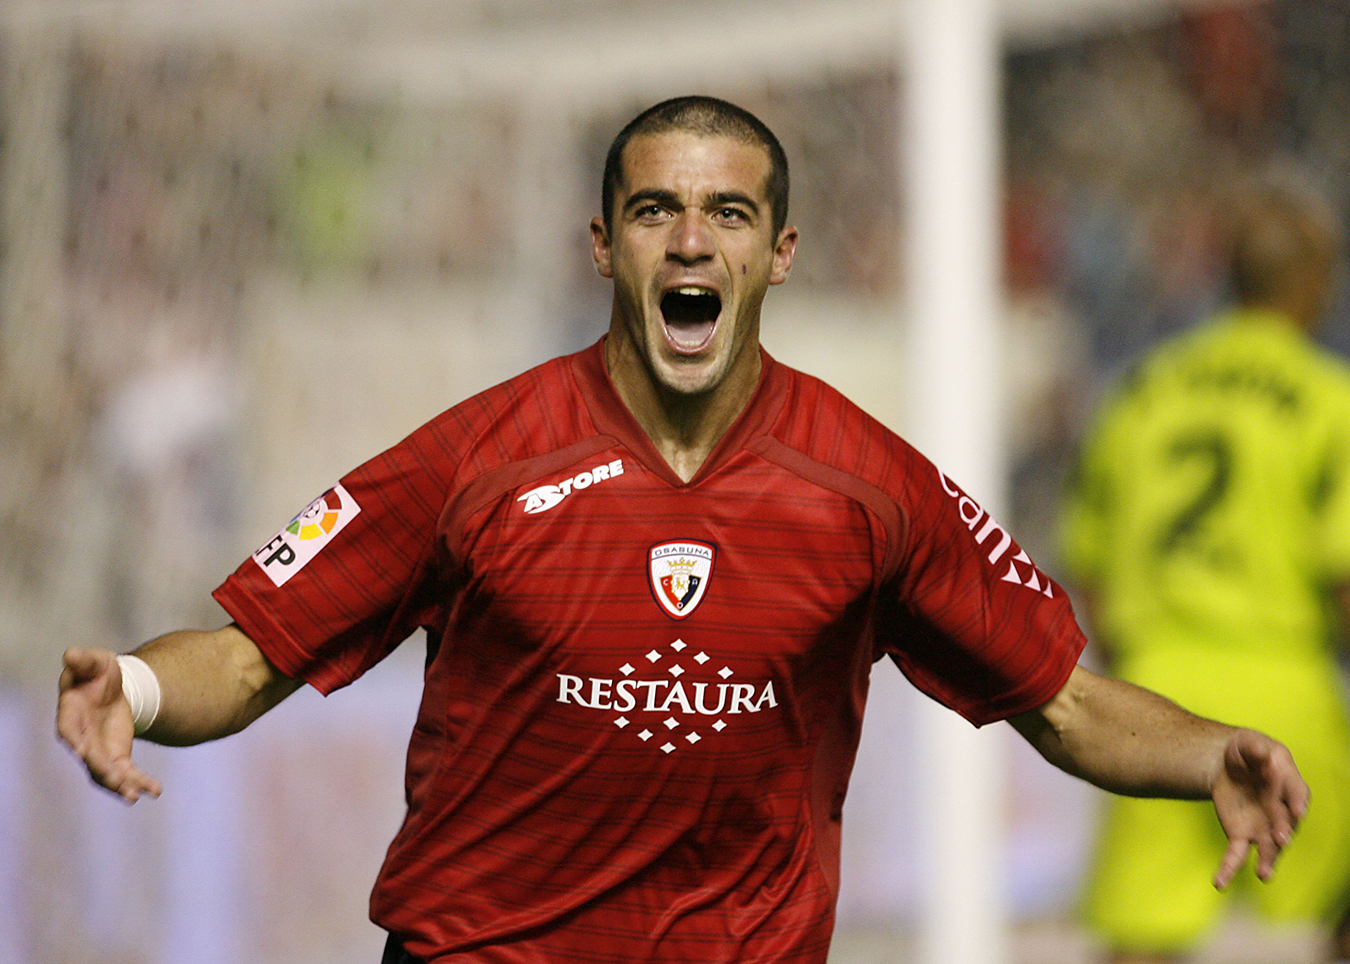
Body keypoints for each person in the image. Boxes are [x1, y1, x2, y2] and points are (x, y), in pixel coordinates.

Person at [59, 96, 1308, 964]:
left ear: (780, 252)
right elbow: (253, 648)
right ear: (605, 245)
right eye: (655, 211)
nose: (692, 239)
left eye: (728, 215)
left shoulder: (872, 485)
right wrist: (133, 683)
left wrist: (1209, 754)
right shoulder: (478, 456)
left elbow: (1067, 702)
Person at [1059, 174, 1350, 964]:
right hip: (1286, 681)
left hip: (1156, 690)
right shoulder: (1331, 400)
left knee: (1141, 943)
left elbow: (1090, 570)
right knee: (1324, 925)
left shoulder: (1139, 394)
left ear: (1229, 274)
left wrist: (1134, 688)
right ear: (1319, 277)